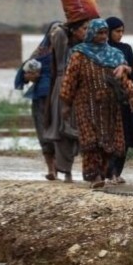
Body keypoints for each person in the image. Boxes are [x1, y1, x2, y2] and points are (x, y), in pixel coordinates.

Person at [60, 19, 133, 189]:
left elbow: (124, 79)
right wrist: (66, 104)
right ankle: (94, 176)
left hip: (109, 107)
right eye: (99, 33)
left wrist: (132, 95)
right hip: (85, 104)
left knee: (107, 142)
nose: (103, 36)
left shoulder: (115, 55)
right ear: (91, 33)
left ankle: (102, 173)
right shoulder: (79, 54)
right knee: (90, 141)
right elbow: (69, 80)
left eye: (105, 33)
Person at [44, 19, 88, 183]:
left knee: (84, 130)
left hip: (82, 88)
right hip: (63, 88)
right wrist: (69, 23)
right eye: (83, 28)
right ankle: (66, 171)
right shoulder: (63, 45)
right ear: (74, 30)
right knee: (63, 130)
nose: (86, 32)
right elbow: (57, 32)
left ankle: (90, 171)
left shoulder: (87, 47)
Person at [15, 23, 60, 180]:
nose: (55, 34)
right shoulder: (40, 53)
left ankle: (63, 168)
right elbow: (25, 74)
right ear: (48, 34)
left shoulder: (69, 52)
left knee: (62, 133)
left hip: (62, 98)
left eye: (59, 31)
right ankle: (51, 169)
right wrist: (30, 76)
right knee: (43, 133)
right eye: (53, 31)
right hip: (41, 98)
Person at [104, 16, 133, 184]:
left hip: (125, 98)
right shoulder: (101, 50)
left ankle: (117, 172)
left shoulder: (125, 48)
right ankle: (108, 172)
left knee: (125, 136)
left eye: (122, 31)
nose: (120, 35)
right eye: (117, 31)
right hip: (106, 98)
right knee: (110, 137)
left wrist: (126, 68)